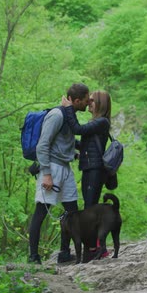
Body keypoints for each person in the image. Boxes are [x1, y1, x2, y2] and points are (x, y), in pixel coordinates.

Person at [28, 83, 90, 265]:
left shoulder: (70, 116)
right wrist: (46, 173)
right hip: (52, 168)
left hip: (65, 167)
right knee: (41, 212)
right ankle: (33, 257)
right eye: (86, 101)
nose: (88, 104)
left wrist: (75, 153)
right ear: (77, 101)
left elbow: (64, 141)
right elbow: (43, 145)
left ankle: (64, 252)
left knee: (72, 211)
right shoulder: (56, 115)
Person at [61, 90, 112, 208]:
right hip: (90, 168)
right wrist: (63, 139)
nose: (89, 102)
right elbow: (84, 146)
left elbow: (78, 129)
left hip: (95, 169)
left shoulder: (102, 122)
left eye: (92, 100)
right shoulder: (97, 122)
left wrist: (69, 108)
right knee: (88, 206)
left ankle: (91, 227)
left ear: (101, 103)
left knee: (90, 207)